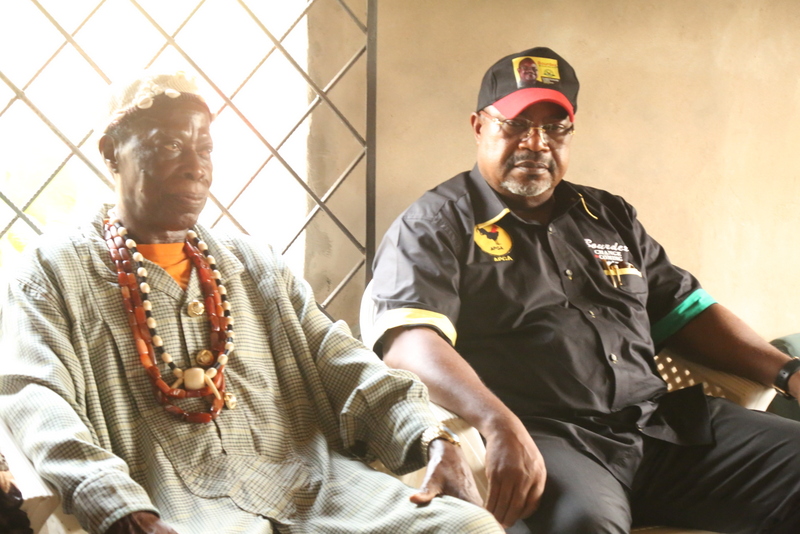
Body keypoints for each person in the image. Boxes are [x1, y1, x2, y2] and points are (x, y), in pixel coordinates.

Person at [0, 71, 504, 534]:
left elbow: (344, 363)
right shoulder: (52, 272)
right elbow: (37, 399)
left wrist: (431, 436)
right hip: (174, 510)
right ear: (112, 152)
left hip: (320, 491)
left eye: (204, 149)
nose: (196, 168)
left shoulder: (251, 262)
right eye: (171, 145)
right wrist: (120, 509)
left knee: (468, 528)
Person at [369, 46, 800, 533]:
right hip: (549, 440)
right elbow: (409, 343)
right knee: (583, 526)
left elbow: (686, 312)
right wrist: (496, 422)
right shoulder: (436, 224)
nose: (536, 143)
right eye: (516, 124)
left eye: (555, 128)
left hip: (661, 427)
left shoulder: (608, 216)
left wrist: (789, 372)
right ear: (478, 126)